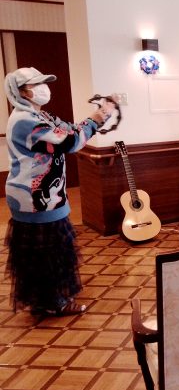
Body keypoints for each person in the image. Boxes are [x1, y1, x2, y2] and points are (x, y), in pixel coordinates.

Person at [4, 67, 114, 316]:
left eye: (44, 82)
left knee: (52, 250)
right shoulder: (24, 121)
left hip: (47, 197)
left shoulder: (41, 115)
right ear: (21, 92)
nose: (44, 88)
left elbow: (70, 130)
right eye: (37, 84)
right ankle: (53, 303)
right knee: (46, 254)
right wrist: (99, 116)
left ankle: (47, 300)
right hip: (34, 198)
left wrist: (98, 116)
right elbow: (71, 142)